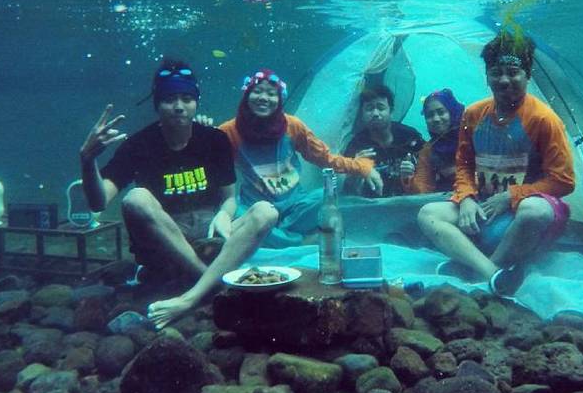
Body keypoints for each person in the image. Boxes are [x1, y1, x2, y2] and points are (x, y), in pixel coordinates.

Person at [79, 59, 279, 330]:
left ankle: (191, 295)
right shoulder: (138, 145)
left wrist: (223, 214)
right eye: (169, 99)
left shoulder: (214, 139)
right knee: (136, 197)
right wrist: (87, 159)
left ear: (196, 102)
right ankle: (210, 286)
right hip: (164, 249)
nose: (179, 106)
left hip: (209, 241)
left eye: (186, 98)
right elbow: (97, 202)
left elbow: (230, 198)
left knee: (266, 211)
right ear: (157, 104)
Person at [417, 34, 575, 296]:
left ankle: (479, 268)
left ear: (527, 75)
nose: (504, 80)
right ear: (487, 76)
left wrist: (511, 196)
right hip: (484, 208)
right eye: (496, 73)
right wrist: (466, 197)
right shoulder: (474, 114)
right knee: (428, 214)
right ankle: (493, 275)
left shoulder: (544, 119)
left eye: (513, 73)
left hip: (524, 216)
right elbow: (464, 164)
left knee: (536, 210)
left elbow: (564, 180)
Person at [217, 68, 383, 246]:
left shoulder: (293, 126)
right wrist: (197, 129)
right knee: (237, 217)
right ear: (246, 96)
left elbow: (325, 159)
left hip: (295, 205)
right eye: (257, 92)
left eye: (271, 94)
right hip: (256, 207)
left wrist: (362, 167)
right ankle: (300, 240)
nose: (264, 98)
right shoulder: (229, 131)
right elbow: (208, 159)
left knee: (327, 195)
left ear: (280, 99)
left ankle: (274, 236)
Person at [343, 84, 425, 197]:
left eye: (381, 108)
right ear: (362, 114)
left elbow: (430, 170)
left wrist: (414, 173)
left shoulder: (409, 136)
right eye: (369, 108)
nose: (375, 114)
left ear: (391, 112)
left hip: (408, 201)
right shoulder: (357, 144)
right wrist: (355, 169)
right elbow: (346, 189)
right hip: (371, 206)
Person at [406, 88, 466, 194]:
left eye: (441, 112)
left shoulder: (472, 138)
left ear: (453, 112)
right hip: (446, 204)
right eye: (430, 115)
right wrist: (408, 178)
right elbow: (423, 190)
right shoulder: (429, 150)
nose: (436, 119)